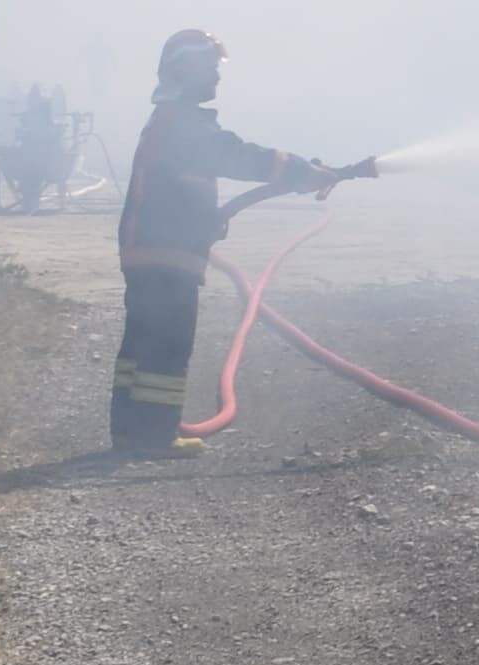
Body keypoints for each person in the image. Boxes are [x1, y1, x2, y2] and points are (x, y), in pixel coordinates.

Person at [110, 29, 351, 458]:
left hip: (154, 249)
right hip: (166, 253)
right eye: (210, 69)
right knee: (167, 345)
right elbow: (239, 156)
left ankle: (131, 432)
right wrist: (300, 171)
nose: (217, 78)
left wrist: (207, 218)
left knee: (142, 347)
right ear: (187, 71)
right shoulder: (184, 124)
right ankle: (155, 436)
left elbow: (184, 184)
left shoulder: (170, 120)